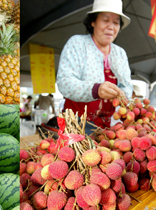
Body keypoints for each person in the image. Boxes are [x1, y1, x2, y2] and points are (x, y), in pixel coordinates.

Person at [56, 0, 135, 134]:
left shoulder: (120, 53)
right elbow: (65, 82)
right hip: (75, 123)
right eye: (105, 20)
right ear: (93, 22)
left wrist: (121, 95)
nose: (111, 27)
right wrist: (96, 89)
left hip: (106, 126)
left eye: (116, 22)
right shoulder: (77, 44)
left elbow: (127, 86)